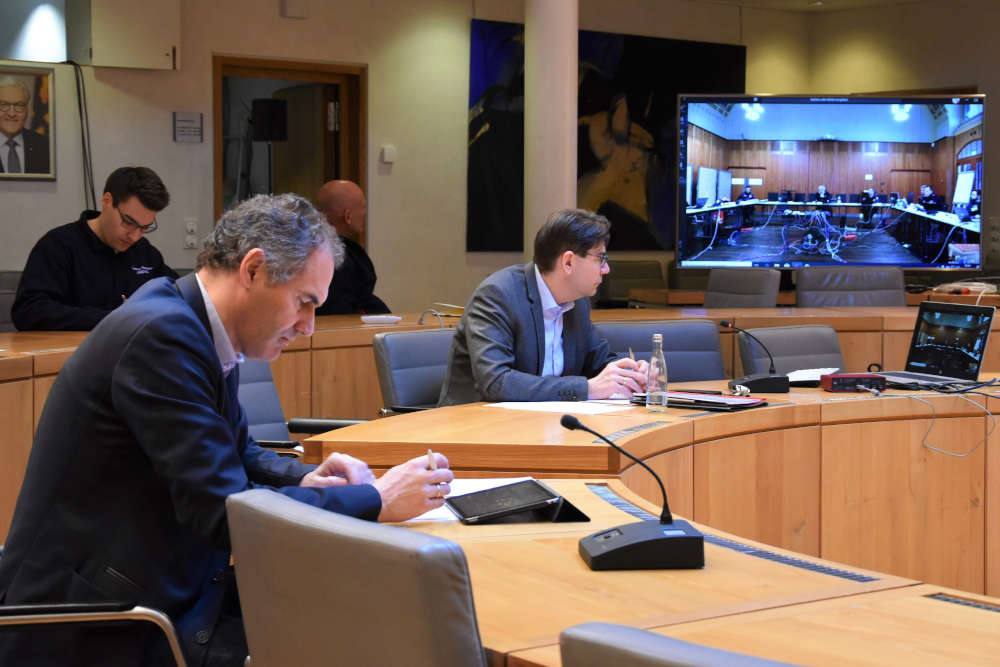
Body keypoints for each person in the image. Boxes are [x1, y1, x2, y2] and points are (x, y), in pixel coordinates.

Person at [0, 193, 454, 666]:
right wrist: (376, 500)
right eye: (304, 303)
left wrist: (301, 477)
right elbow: (223, 512)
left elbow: (236, 449)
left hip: (155, 590)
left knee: (356, 616)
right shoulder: (162, 337)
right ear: (253, 270)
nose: (309, 328)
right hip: (93, 625)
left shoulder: (195, 322)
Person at [438, 208, 648, 406]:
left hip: (542, 425)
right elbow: (496, 382)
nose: (606, 269)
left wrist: (632, 375)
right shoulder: (498, 295)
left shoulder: (577, 302)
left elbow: (598, 360)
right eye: (600, 258)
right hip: (474, 429)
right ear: (568, 262)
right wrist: (587, 388)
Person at [11, 166, 178, 330]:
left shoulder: (144, 252)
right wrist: (116, 317)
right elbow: (29, 312)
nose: (134, 236)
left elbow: (179, 294)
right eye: (128, 222)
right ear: (107, 201)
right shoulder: (59, 245)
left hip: (133, 353)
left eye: (144, 228)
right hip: (73, 354)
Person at [313, 180, 390, 315]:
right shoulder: (337, 259)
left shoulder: (308, 248)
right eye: (362, 207)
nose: (364, 214)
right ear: (348, 216)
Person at [0, 75, 49, 174]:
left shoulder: (44, 145)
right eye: (4, 105)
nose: (12, 114)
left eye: (19, 105)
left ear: (27, 110)